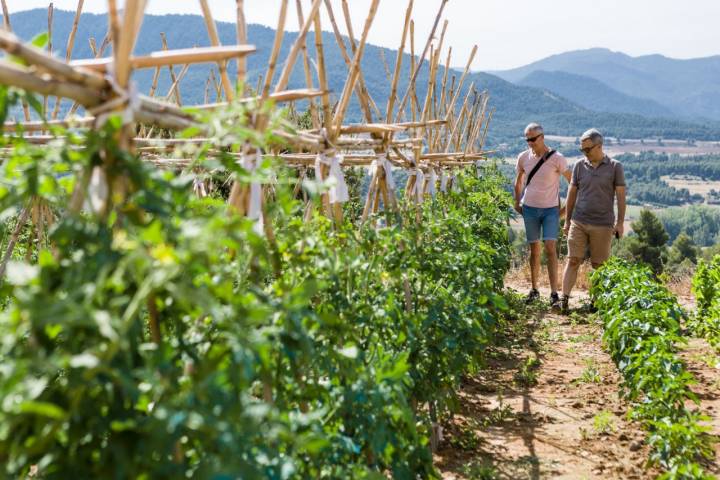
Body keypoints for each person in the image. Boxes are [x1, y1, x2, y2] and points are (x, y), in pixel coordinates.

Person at [560, 128, 627, 314]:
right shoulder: (579, 166)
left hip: (603, 224)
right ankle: (564, 300)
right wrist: (567, 221)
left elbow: (621, 196)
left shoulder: (615, 167)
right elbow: (571, 193)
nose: (585, 153)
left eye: (588, 149)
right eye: (582, 150)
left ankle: (596, 302)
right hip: (579, 221)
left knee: (599, 266)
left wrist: (620, 223)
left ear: (599, 146)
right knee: (573, 260)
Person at [514, 123, 571, 307]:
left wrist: (565, 211)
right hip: (529, 208)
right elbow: (518, 181)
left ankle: (554, 293)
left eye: (533, 139)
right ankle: (534, 289)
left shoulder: (557, 158)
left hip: (550, 210)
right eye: (527, 139)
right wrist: (517, 202)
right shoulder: (523, 157)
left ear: (542, 137)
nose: (530, 143)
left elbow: (573, 183)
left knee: (550, 248)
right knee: (534, 250)